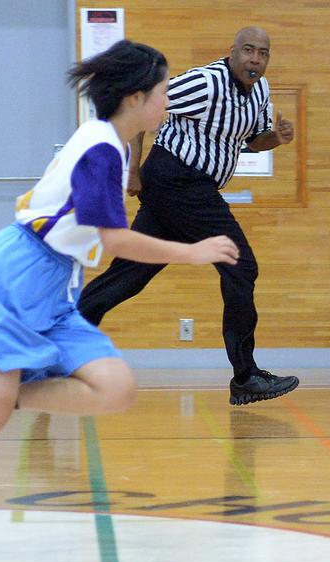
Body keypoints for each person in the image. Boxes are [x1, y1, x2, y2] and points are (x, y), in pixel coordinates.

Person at [0, 40, 239, 557]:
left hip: (55, 284)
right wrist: (193, 252)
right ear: (135, 98)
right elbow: (112, 240)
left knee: (115, 388)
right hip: (15, 278)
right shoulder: (99, 149)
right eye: (163, 92)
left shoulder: (111, 143)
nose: (169, 101)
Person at [77, 27, 299, 406]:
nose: (255, 59)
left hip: (188, 188)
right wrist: (133, 171)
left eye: (263, 53)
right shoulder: (206, 82)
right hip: (177, 179)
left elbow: (251, 140)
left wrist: (275, 138)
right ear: (232, 52)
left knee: (129, 276)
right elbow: (142, 109)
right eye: (248, 50)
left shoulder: (260, 91)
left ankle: (54, 350)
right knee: (241, 266)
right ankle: (245, 376)